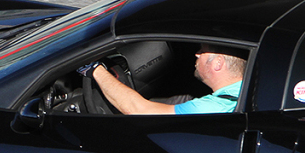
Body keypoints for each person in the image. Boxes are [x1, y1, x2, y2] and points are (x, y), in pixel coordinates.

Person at [87, 44, 246, 115]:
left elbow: (137, 110)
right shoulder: (246, 89)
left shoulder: (212, 107)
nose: (196, 53)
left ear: (218, 63)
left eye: (203, 50)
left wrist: (94, 69)